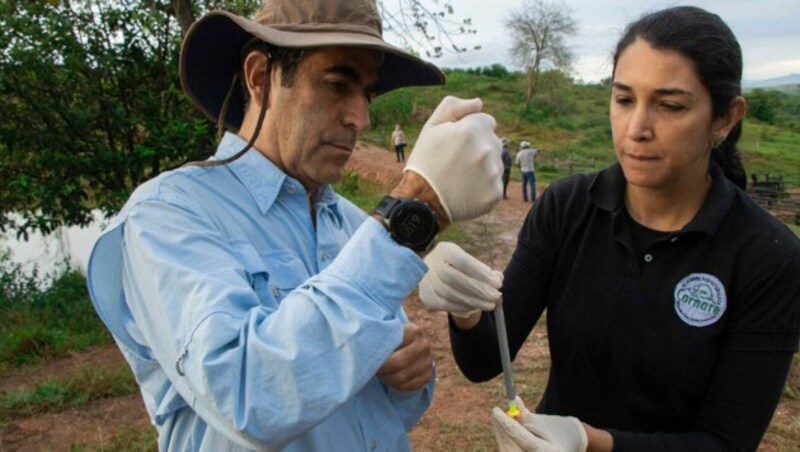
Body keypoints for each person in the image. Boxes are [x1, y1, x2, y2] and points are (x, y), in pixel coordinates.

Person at [85, 0, 504, 450]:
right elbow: (247, 396)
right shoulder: (169, 213)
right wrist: (415, 209)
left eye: (366, 93)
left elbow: (385, 413)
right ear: (261, 77)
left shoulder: (349, 223)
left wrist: (410, 376)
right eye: (337, 83)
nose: (360, 118)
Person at [418, 6, 800, 451]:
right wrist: (462, 308)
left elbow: (725, 442)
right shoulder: (565, 208)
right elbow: (484, 360)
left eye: (670, 106)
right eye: (623, 99)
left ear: (725, 117)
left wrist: (589, 441)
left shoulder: (768, 258)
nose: (637, 128)